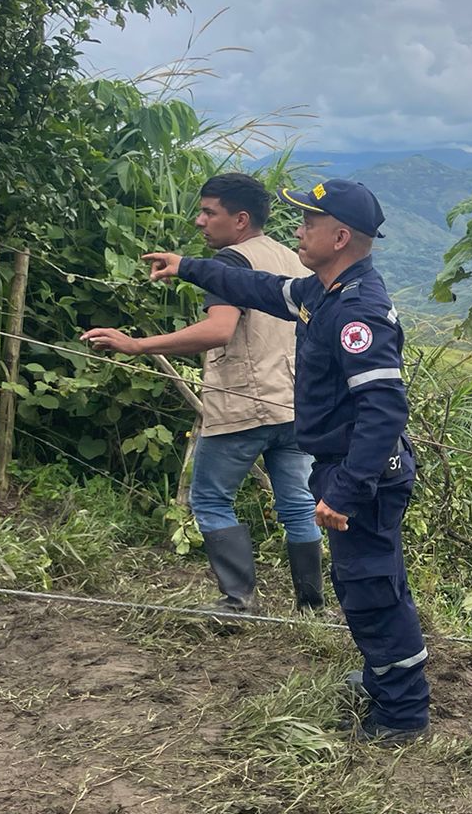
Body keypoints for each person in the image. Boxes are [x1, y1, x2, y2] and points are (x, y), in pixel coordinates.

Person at [139, 178, 430, 744]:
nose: (299, 230)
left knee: (371, 589)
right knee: (369, 583)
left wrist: (344, 492)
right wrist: (187, 265)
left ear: (340, 236)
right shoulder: (322, 291)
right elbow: (258, 286)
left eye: (309, 223)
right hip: (344, 467)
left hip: (361, 475)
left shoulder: (357, 313)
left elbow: (385, 411)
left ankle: (401, 714)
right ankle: (383, 678)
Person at [83, 172, 323, 613]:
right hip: (292, 404)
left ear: (240, 219)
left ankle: (238, 601)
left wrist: (137, 345)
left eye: (209, 212)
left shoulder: (229, 264)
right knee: (298, 507)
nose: (199, 221)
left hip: (242, 403)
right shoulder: (292, 258)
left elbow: (218, 329)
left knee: (211, 499)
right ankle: (312, 606)